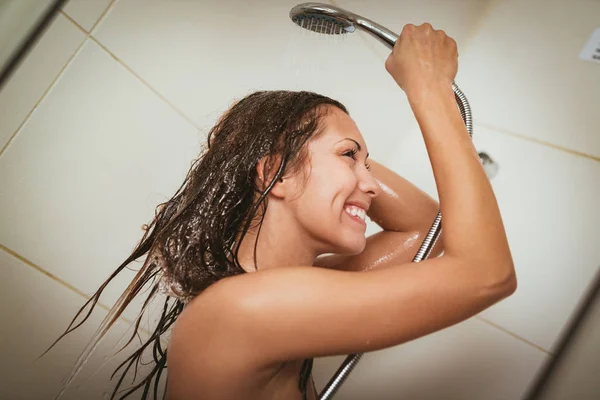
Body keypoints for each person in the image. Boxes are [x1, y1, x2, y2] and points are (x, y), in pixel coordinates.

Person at [46, 22, 516, 400]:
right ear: (278, 174)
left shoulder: (273, 297)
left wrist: (285, 142)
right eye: (349, 156)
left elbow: (425, 231)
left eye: (367, 164)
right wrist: (429, 89)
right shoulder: (245, 309)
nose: (371, 185)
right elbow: (486, 273)